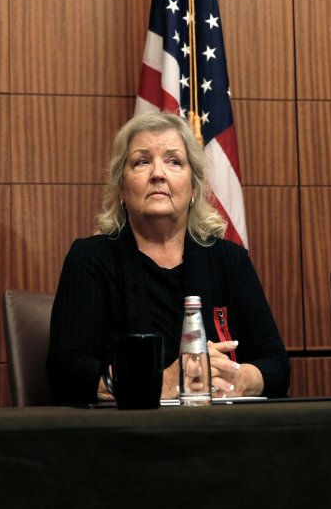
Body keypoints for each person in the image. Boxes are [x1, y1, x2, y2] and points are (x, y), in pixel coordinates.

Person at [47, 112, 290, 404]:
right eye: (142, 161)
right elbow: (66, 370)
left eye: (174, 161)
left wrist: (237, 378)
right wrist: (164, 382)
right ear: (121, 189)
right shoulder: (91, 258)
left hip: (220, 433)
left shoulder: (230, 260)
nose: (158, 173)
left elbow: (276, 365)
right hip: (127, 438)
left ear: (193, 189)